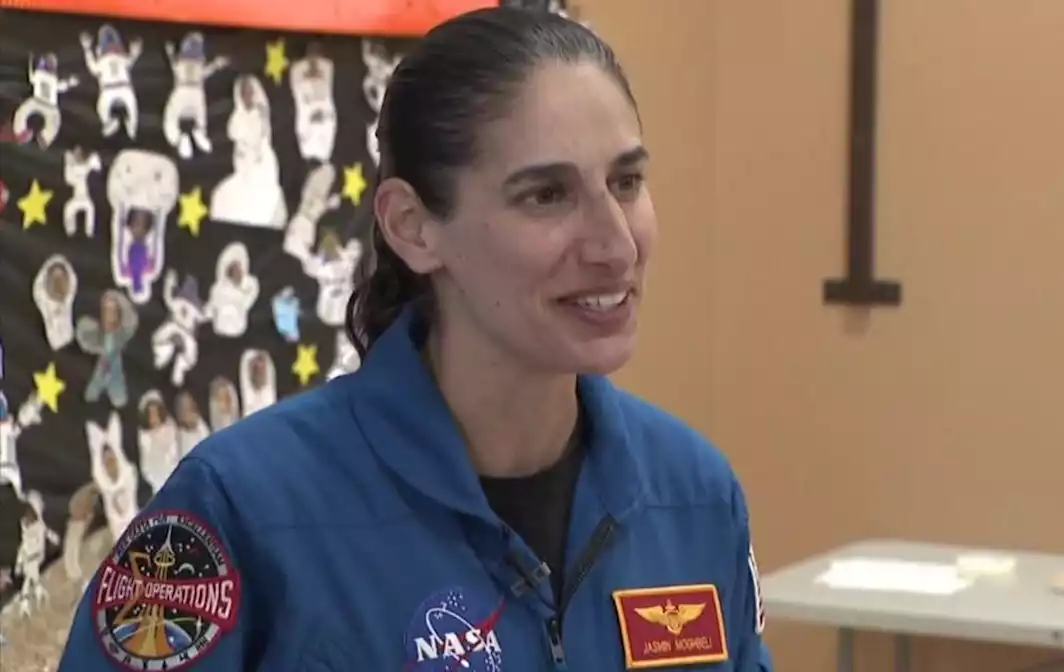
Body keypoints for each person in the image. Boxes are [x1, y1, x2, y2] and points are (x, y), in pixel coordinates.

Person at [59, 7, 773, 671]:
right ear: (413, 226)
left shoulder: (695, 497)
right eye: (546, 195)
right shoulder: (238, 513)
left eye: (626, 181)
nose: (616, 245)